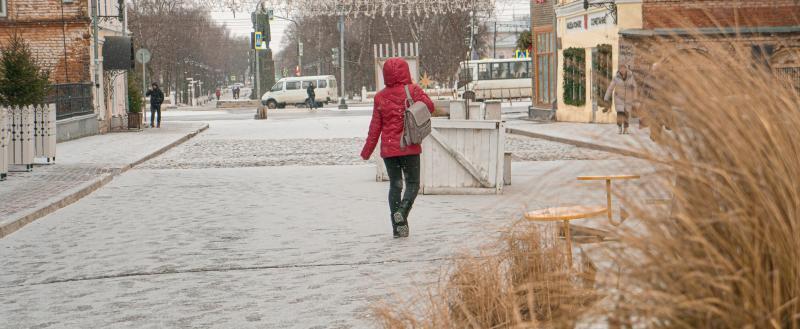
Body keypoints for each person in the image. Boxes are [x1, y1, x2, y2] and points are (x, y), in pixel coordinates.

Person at [360, 58, 435, 238]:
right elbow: (430, 107)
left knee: (395, 185)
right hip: (409, 146)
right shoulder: (413, 90)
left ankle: (398, 227)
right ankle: (402, 210)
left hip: (389, 150)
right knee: (413, 184)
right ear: (406, 71)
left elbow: (375, 127)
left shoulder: (379, 97)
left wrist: (367, 151)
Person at [604, 63, 638, 134]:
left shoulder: (630, 76)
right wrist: (606, 98)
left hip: (628, 98)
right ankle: (619, 127)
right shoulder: (616, 77)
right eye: (621, 68)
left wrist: (635, 98)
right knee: (620, 114)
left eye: (624, 68)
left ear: (626, 69)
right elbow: (610, 88)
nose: (622, 70)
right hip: (619, 98)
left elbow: (634, 87)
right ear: (619, 69)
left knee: (626, 114)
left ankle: (626, 128)